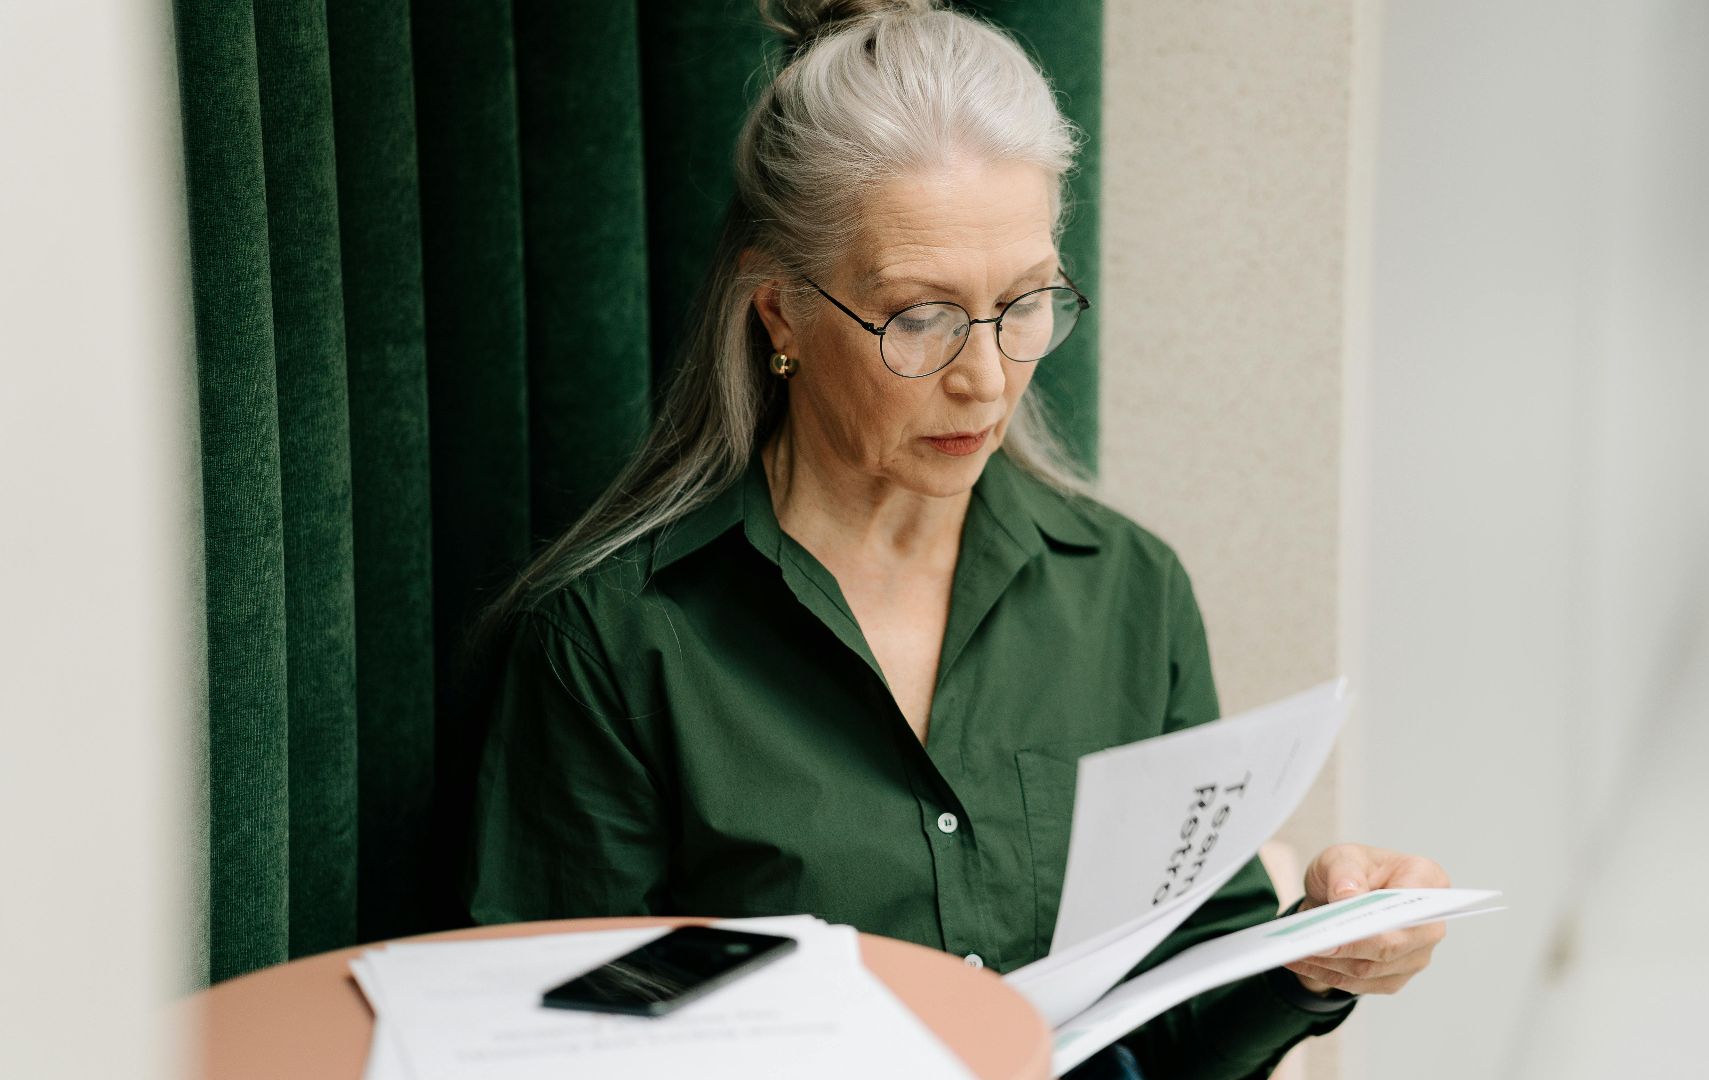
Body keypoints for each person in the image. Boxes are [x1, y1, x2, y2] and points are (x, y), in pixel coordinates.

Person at [464, 2, 1450, 1077]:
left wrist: (1310, 961)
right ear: (779, 308)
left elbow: (1174, 1035)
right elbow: (556, 1050)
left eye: (1024, 303)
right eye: (920, 318)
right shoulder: (612, 644)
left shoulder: (1128, 592)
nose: (985, 378)